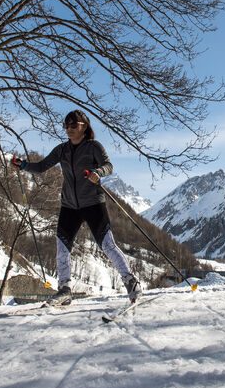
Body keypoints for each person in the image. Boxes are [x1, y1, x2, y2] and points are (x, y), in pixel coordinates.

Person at [12, 110, 141, 306]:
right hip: (69, 206)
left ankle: (130, 281)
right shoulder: (61, 149)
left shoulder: (93, 147)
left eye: (74, 125)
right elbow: (40, 167)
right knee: (62, 247)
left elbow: (109, 165)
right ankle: (64, 290)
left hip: (93, 203)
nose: (69, 129)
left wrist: (98, 172)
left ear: (84, 126)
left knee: (107, 245)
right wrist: (23, 165)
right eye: (67, 125)